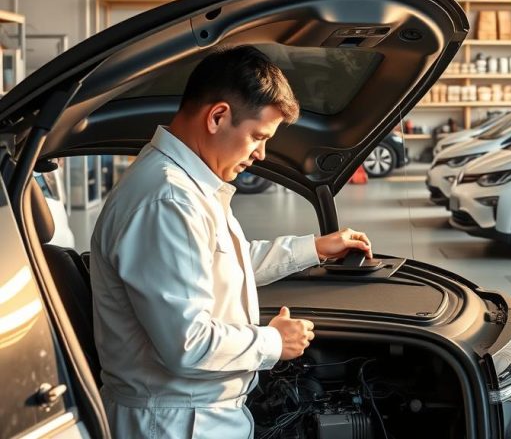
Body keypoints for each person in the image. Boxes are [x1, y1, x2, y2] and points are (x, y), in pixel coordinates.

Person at [90, 46, 372, 438]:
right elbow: (188, 343)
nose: (261, 154)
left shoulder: (189, 187)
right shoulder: (168, 199)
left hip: (196, 415)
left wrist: (315, 247)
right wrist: (274, 340)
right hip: (177, 424)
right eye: (258, 136)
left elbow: (220, 265)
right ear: (218, 116)